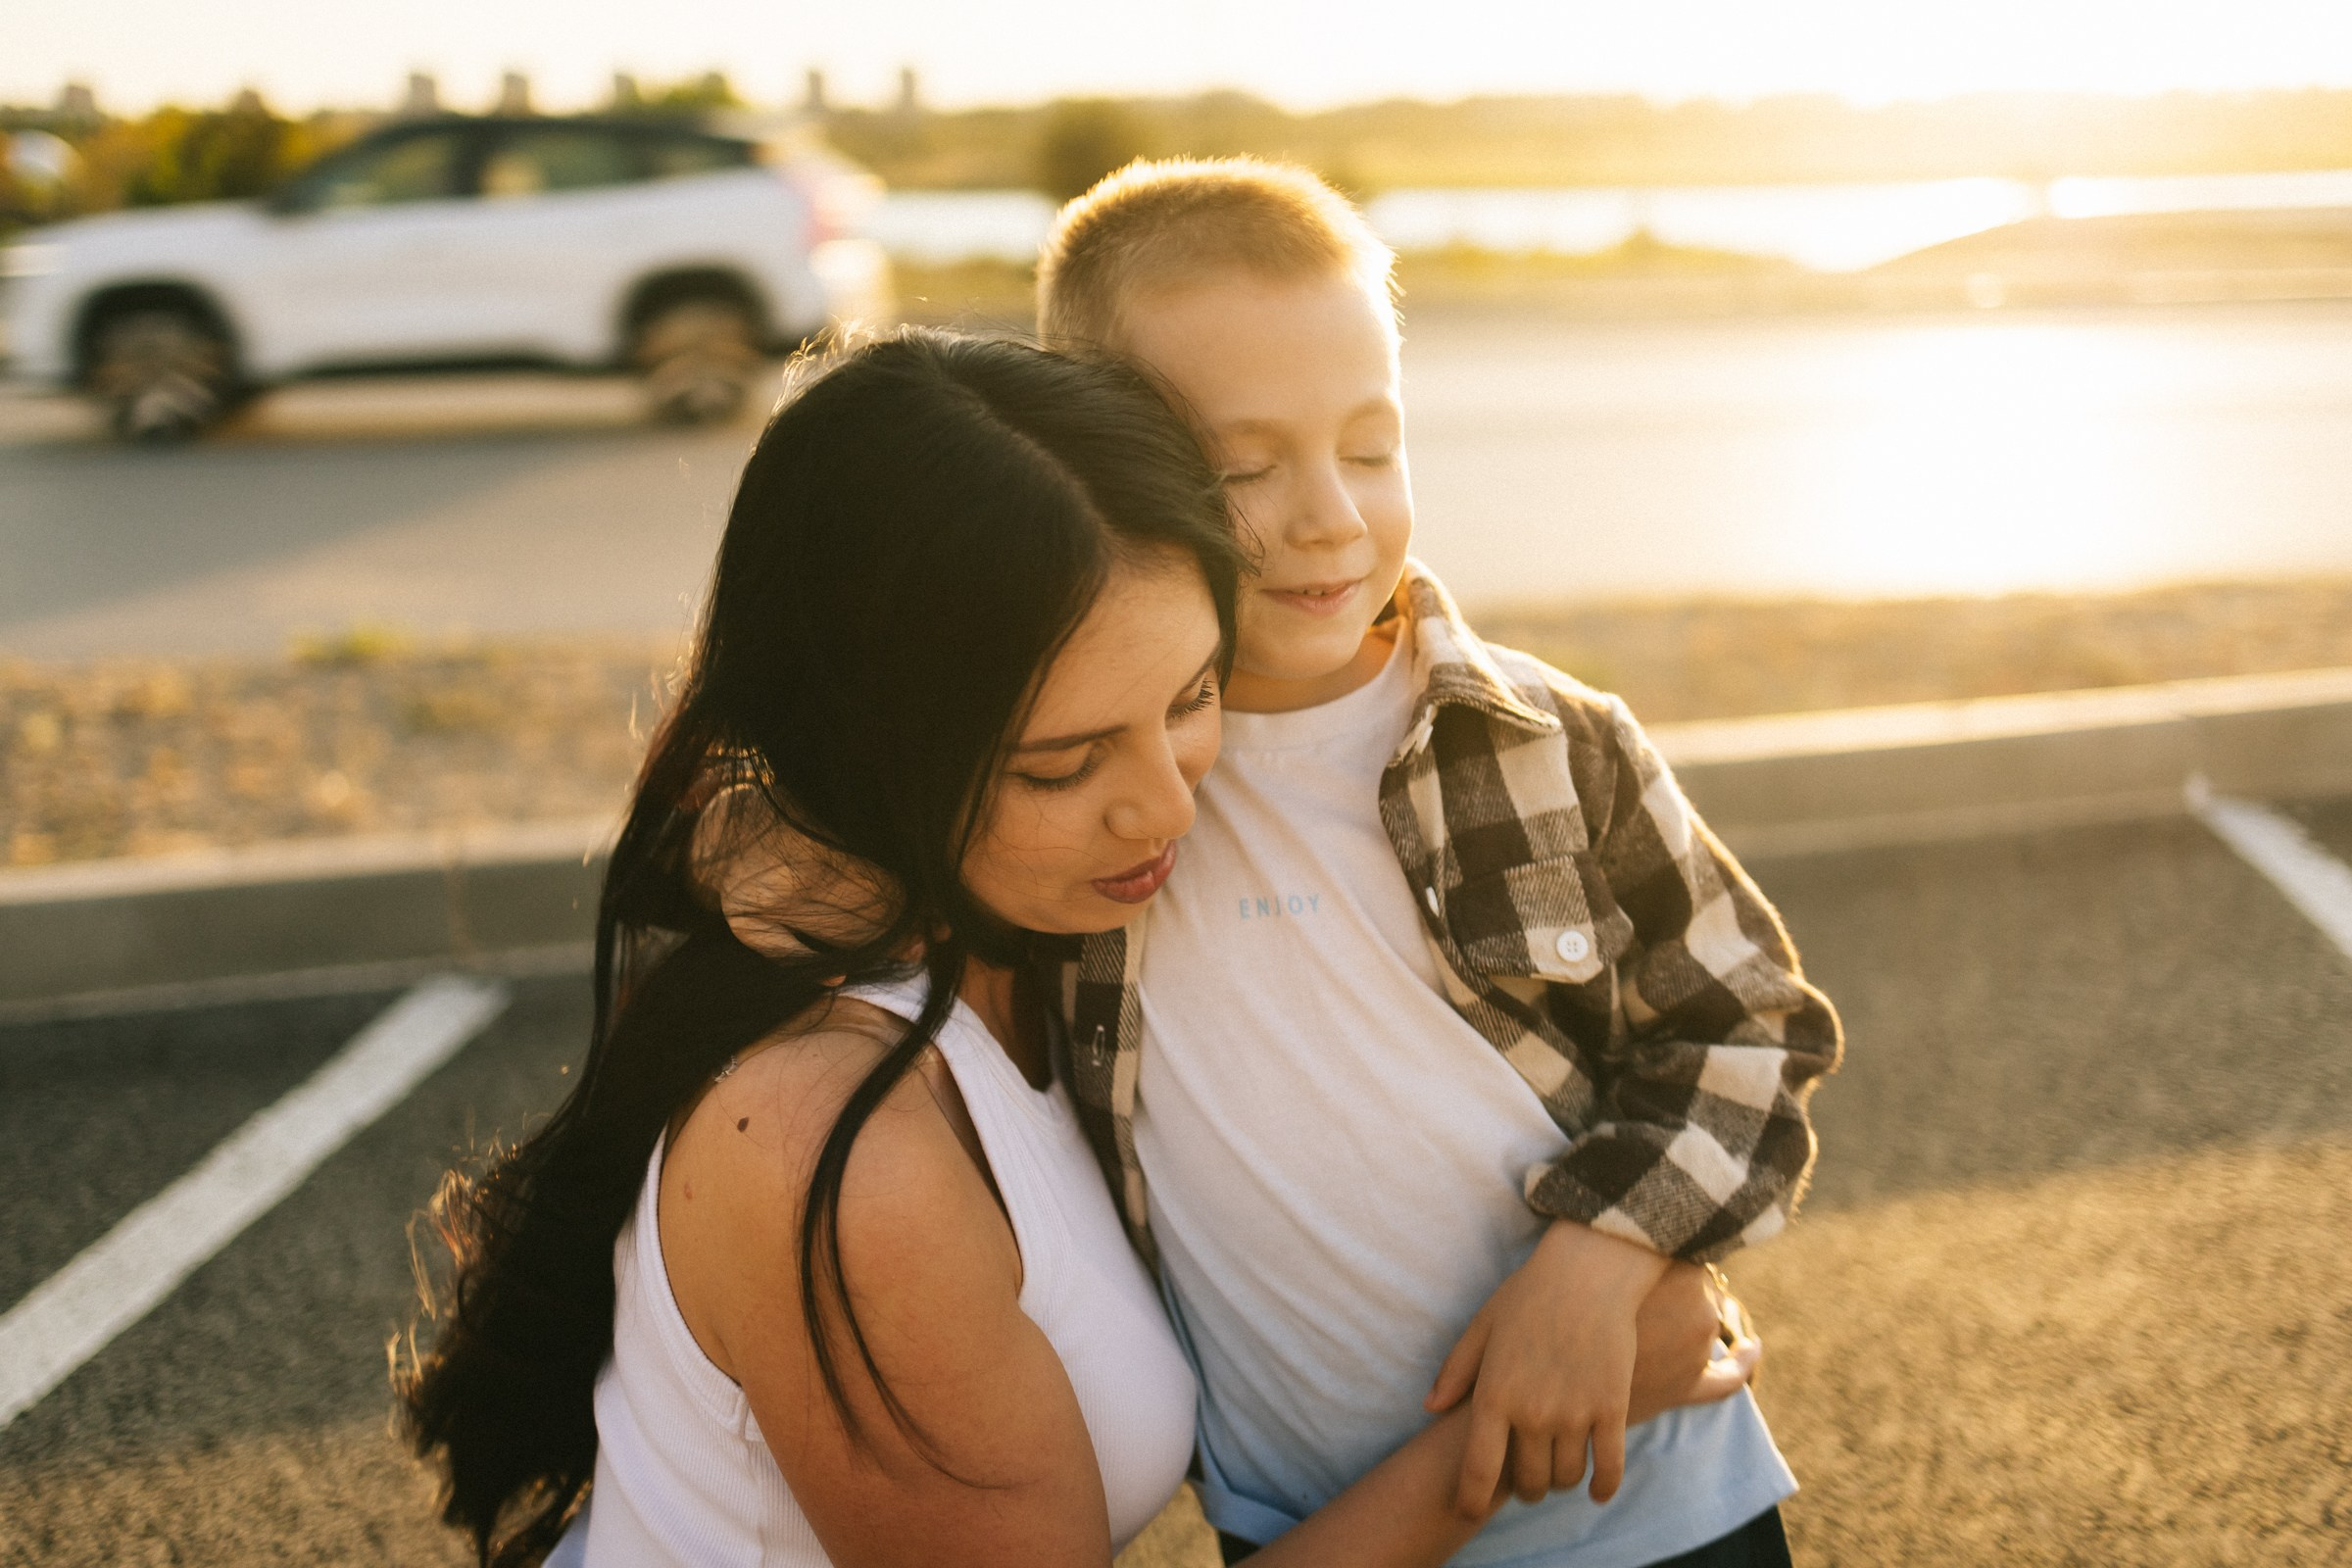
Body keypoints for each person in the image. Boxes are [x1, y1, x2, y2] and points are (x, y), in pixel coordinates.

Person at [393, 329, 1740, 1568]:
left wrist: (1601, 1257)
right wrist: (1518, 1428)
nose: (1166, 804)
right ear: (876, 753)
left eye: (1193, 696)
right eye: (1062, 761)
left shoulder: (1023, 924)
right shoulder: (837, 1149)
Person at [710, 162, 1842, 1568]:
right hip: (1310, 1526)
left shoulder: (1545, 743)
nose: (1330, 518)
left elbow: (1753, 1029)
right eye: (1245, 469)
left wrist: (1604, 1254)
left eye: (1371, 448)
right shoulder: (1087, 790)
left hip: (1650, 1496)